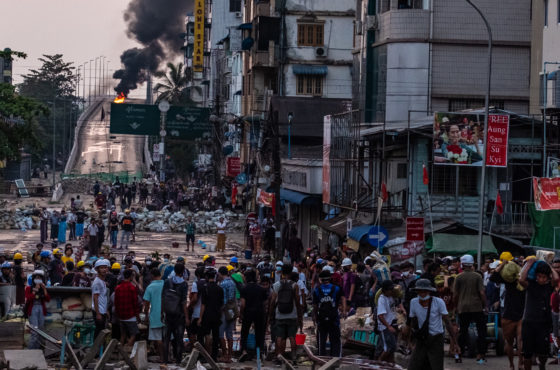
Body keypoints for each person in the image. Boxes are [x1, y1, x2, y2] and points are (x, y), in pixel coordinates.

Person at [519, 258, 559, 370]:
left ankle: (542, 366)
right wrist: (529, 264)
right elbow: (521, 279)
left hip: (544, 323)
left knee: (543, 353)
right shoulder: (531, 285)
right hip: (528, 322)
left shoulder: (549, 287)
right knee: (527, 354)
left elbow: (556, 278)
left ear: (547, 277)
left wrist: (548, 265)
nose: (541, 279)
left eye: (544, 277)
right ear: (536, 275)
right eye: (539, 276)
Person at [407, 279, 452, 370]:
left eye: (425, 291)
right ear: (417, 291)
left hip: (436, 338)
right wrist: (410, 340)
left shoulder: (438, 302)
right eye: (420, 291)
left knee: (436, 365)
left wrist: (454, 341)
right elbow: (413, 322)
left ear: (429, 292)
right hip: (422, 338)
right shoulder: (413, 302)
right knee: (415, 365)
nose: (422, 293)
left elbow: (447, 321)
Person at [490, 255, 525, 370]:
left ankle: (511, 365)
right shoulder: (524, 281)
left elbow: (493, 276)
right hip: (521, 312)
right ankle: (520, 362)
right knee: (521, 340)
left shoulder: (507, 281)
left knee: (509, 342)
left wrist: (503, 264)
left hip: (508, 313)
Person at [453, 254, 487, 364]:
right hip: (476, 307)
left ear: (462, 264)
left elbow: (455, 294)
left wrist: (456, 306)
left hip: (463, 308)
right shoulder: (478, 276)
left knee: (463, 331)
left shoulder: (458, 277)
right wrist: (484, 305)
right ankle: (480, 355)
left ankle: (459, 353)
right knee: (481, 331)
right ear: (472, 264)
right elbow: (482, 293)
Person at [269, 263, 303, 363]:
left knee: (279, 337)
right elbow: (297, 302)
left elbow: (272, 302)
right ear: (291, 271)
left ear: (282, 272)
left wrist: (271, 315)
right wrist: (300, 316)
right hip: (292, 315)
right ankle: (293, 357)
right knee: (292, 337)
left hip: (279, 315)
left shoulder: (276, 285)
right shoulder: (294, 285)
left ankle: (279, 355)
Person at [313, 269, 345, 357]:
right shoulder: (336, 288)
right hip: (334, 319)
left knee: (321, 341)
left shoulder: (317, 290)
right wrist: (344, 311)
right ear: (329, 278)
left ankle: (321, 360)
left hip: (321, 319)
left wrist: (315, 316)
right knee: (335, 340)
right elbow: (343, 298)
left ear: (321, 279)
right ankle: (335, 359)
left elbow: (315, 306)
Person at [239, 269, 268, 362]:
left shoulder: (244, 288)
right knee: (259, 333)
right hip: (259, 312)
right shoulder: (261, 289)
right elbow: (265, 304)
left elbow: (243, 304)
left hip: (248, 312)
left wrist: (241, 314)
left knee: (244, 332)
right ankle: (259, 353)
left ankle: (243, 351)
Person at [162, 263, 189, 365]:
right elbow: (183, 302)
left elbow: (163, 298)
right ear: (183, 272)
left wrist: (162, 312)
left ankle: (165, 359)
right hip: (179, 315)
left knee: (167, 338)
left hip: (168, 313)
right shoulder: (184, 284)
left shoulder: (167, 282)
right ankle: (178, 360)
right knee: (179, 338)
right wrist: (186, 317)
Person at [199, 267, 224, 361]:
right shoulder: (220, 289)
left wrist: (200, 317)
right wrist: (220, 315)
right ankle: (214, 356)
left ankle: (206, 355)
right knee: (216, 336)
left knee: (206, 335)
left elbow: (203, 304)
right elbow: (222, 304)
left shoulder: (205, 288)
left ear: (206, 276)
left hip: (207, 315)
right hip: (217, 315)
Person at [143, 268, 165, 362]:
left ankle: (162, 358)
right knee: (167, 337)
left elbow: (146, 305)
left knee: (158, 338)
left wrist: (146, 316)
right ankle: (168, 356)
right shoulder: (166, 284)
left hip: (155, 316)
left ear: (152, 276)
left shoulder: (150, 287)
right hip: (167, 315)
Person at [115, 269, 140, 347]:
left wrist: (118, 314)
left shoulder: (118, 288)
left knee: (123, 335)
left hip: (121, 316)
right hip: (130, 316)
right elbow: (135, 303)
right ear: (131, 277)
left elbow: (116, 302)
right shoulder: (132, 288)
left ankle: (121, 352)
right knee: (134, 334)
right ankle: (126, 352)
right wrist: (137, 316)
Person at [26, 270, 50, 349]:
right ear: (33, 279)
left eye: (40, 278)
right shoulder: (29, 288)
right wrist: (35, 289)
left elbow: (47, 299)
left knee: (40, 332)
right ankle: (31, 350)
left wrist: (44, 289)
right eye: (36, 277)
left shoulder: (42, 288)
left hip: (41, 310)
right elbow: (29, 298)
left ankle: (37, 350)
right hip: (33, 310)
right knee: (34, 331)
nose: (38, 279)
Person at [218, 266, 237, 363]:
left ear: (221, 274)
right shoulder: (232, 282)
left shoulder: (223, 284)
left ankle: (225, 355)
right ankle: (230, 355)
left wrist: (220, 309)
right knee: (230, 334)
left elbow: (224, 300)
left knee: (221, 334)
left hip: (224, 311)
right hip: (232, 310)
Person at [377, 279, 398, 364]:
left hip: (391, 324)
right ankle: (379, 361)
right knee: (387, 348)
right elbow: (380, 315)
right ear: (385, 290)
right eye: (389, 290)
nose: (391, 291)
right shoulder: (382, 299)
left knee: (393, 347)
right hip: (385, 326)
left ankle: (391, 363)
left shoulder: (391, 297)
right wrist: (388, 327)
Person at [92, 259, 110, 338]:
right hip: (98, 311)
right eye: (101, 268)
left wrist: (106, 310)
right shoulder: (97, 282)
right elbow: (95, 298)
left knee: (101, 331)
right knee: (99, 332)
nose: (104, 270)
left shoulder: (102, 281)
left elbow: (103, 297)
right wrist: (98, 313)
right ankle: (95, 349)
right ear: (97, 269)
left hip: (102, 310)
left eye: (105, 268)